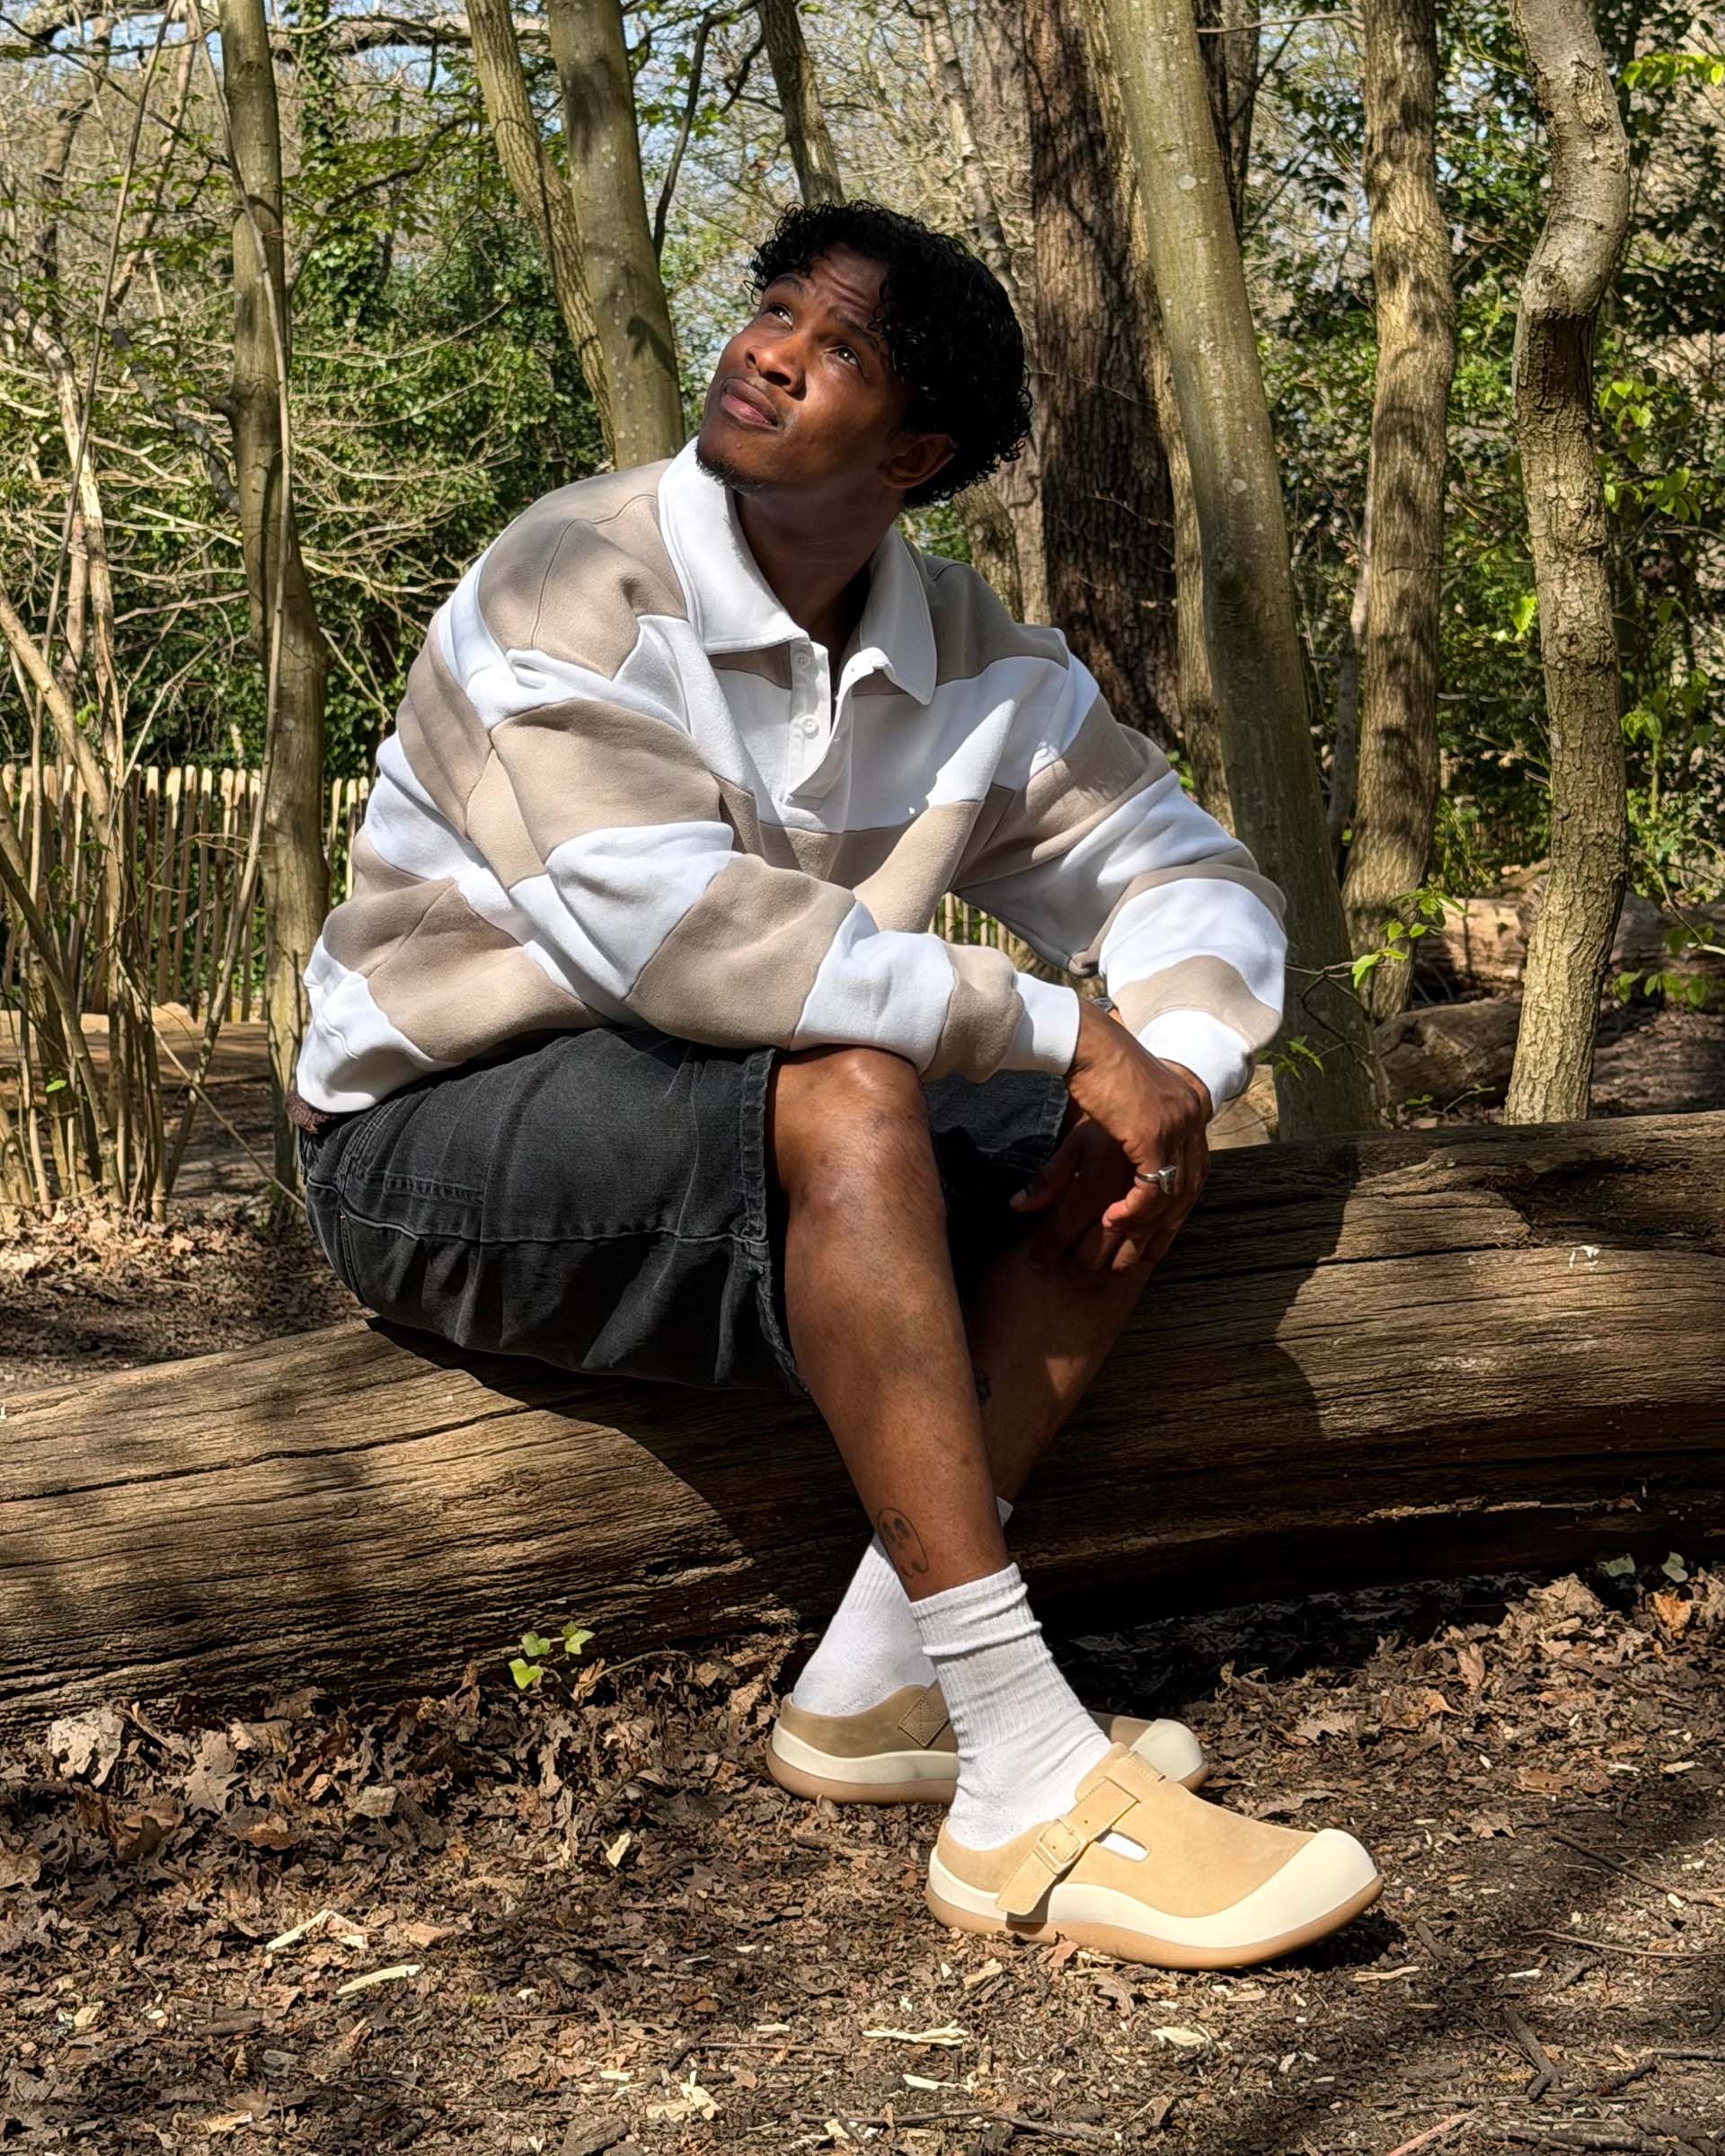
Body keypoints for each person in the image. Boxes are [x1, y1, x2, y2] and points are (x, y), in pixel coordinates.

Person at [289, 200, 1380, 1968]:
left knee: (1110, 1140)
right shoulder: (574, 573)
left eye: (842, 345)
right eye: (775, 309)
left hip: (740, 1103)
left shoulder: (975, 662)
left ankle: (884, 1686)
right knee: (861, 1084)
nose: (771, 346)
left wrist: (1163, 1069)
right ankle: (1026, 1776)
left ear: (917, 452)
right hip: (430, 1140)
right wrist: (1048, 1024)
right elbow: (679, 936)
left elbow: (1193, 882)